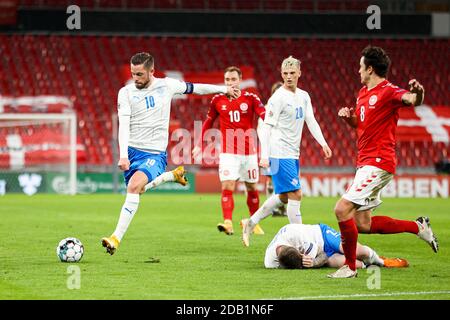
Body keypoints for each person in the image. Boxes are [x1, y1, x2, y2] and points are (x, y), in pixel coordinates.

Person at [101, 52, 240, 255]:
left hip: (154, 154)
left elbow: (196, 88)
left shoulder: (167, 86)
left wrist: (224, 89)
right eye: (133, 74)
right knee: (137, 190)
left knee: (133, 187)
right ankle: (172, 175)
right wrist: (123, 155)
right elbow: (123, 125)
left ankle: (115, 238)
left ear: (151, 71)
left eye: (139, 74)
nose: (135, 79)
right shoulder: (126, 92)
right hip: (132, 151)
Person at [328, 46, 439, 278]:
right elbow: (361, 124)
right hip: (365, 162)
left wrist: (418, 93)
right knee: (362, 224)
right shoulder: (362, 93)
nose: (358, 71)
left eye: (360, 67)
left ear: (369, 69)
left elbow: (411, 99)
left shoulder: (388, 91)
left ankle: (349, 268)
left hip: (378, 161)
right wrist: (350, 119)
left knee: (341, 208)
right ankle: (418, 227)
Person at [241, 56, 332, 247]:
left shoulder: (304, 96)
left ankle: (250, 223)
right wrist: (265, 155)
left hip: (292, 152)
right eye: (285, 73)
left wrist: (323, 143)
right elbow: (265, 128)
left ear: (299, 73)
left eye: (292, 73)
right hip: (278, 152)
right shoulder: (278, 98)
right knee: (296, 194)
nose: (289, 76)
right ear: (281, 74)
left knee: (283, 196)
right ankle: (302, 242)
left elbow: (311, 120)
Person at [193, 66, 266, 236]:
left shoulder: (251, 98)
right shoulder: (217, 100)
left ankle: (253, 222)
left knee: (251, 187)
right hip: (228, 153)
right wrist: (198, 144)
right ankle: (228, 222)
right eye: (227, 80)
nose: (230, 83)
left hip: (249, 153)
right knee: (227, 185)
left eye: (233, 79)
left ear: (240, 80)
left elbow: (265, 116)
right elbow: (208, 122)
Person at [264, 223, 409, 269]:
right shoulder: (270, 262)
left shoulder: (296, 237)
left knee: (359, 252)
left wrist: (313, 263)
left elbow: (322, 255)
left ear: (298, 250)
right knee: (355, 265)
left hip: (323, 235)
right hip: (324, 254)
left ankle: (383, 261)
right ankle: (370, 263)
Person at [257, 81, 287, 217]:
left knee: (283, 180)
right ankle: (272, 208)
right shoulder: (267, 109)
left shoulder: (287, 107)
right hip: (271, 148)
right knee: (271, 179)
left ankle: (281, 207)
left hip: (285, 149)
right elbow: (262, 130)